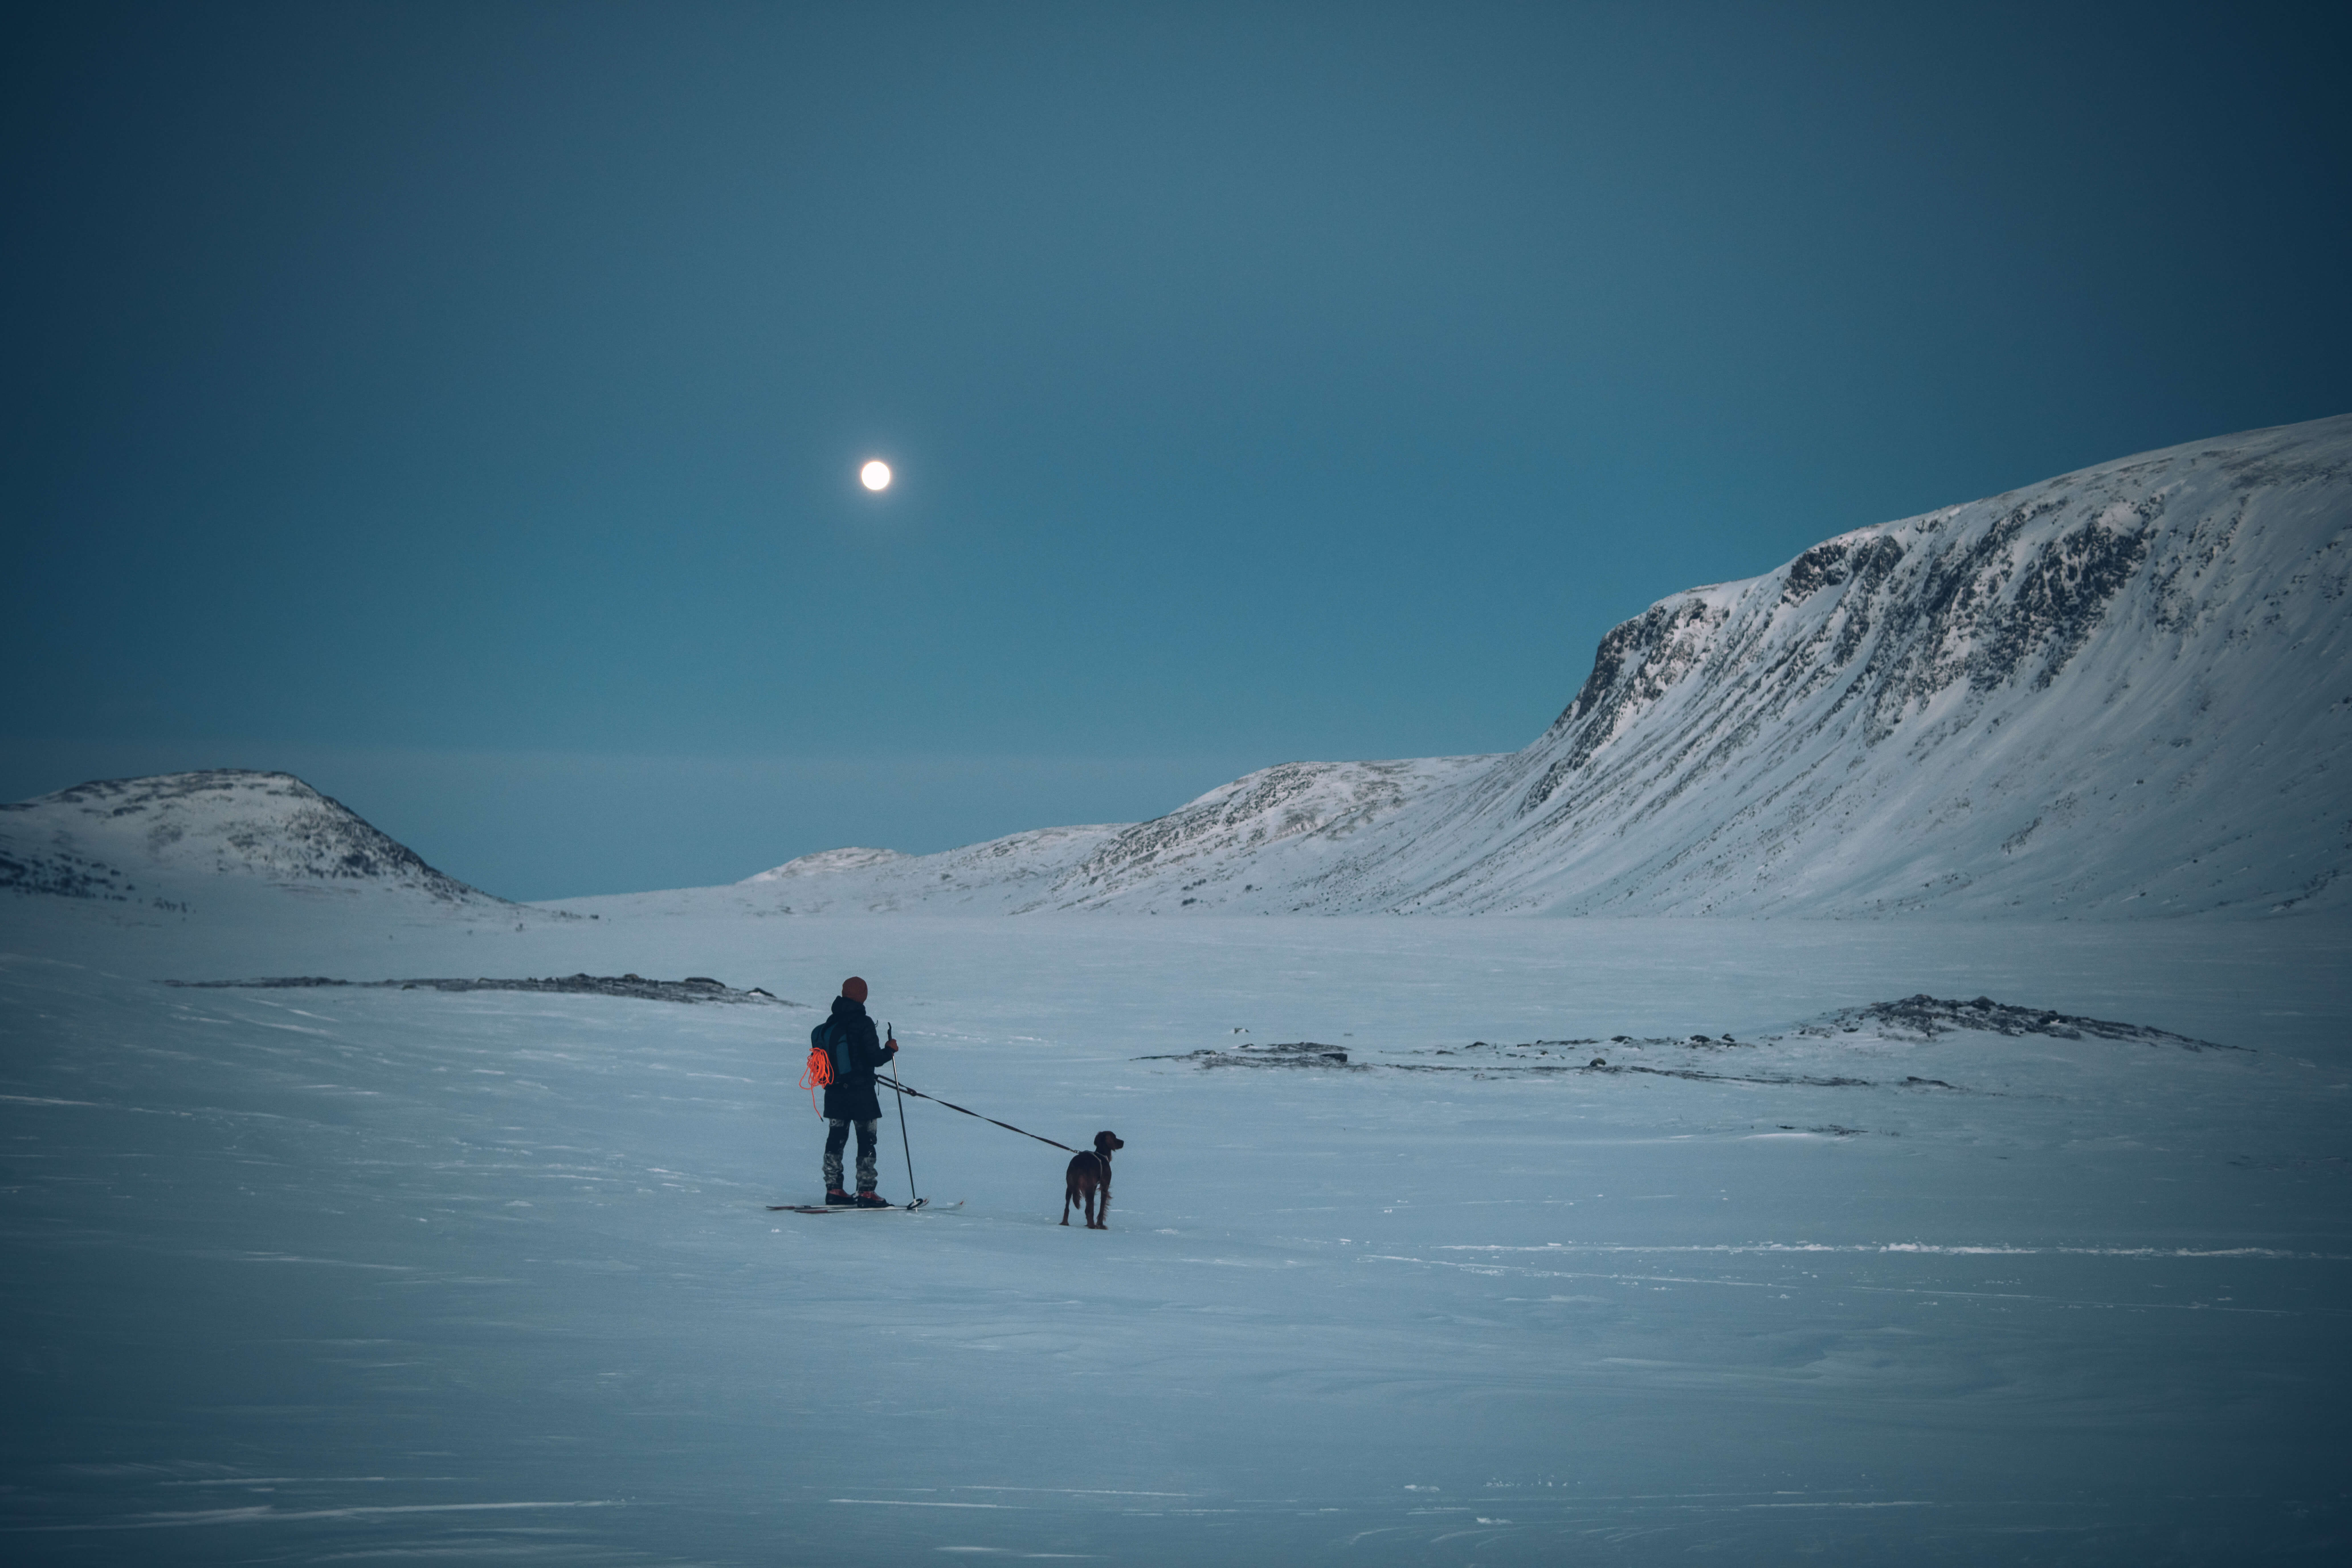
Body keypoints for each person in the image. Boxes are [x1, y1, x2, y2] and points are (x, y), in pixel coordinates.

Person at [818, 975, 898, 1206]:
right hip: (862, 1094)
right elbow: (874, 1058)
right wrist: (890, 1050)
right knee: (866, 1141)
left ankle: (834, 1190)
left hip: (834, 1092)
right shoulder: (863, 1023)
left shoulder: (831, 1022)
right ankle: (866, 1192)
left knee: (836, 1140)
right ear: (863, 996)